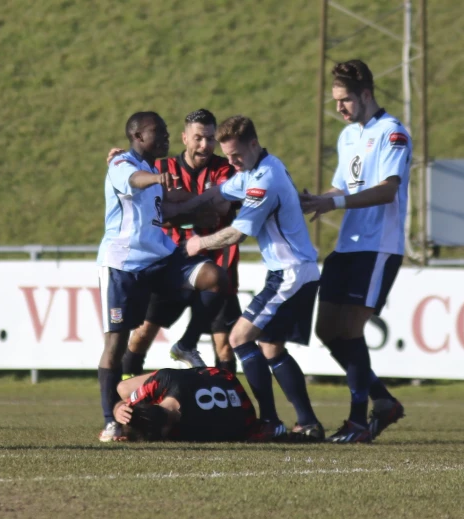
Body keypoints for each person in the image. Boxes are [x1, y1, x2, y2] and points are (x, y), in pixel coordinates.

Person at [169, 115, 324, 441]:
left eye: (236, 155)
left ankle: (268, 421)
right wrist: (174, 211)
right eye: (227, 156)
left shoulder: (264, 180)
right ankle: (306, 422)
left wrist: (198, 243)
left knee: (239, 338)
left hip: (290, 272)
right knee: (270, 346)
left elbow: (238, 233)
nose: (231, 162)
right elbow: (217, 195)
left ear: (254, 144)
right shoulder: (255, 168)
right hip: (292, 270)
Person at [97, 111, 227, 442]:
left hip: (161, 258)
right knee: (117, 343)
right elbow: (135, 182)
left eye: (168, 131)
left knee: (214, 276)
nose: (167, 136)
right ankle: (111, 419)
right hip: (124, 266)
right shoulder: (122, 165)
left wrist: (199, 207)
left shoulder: (154, 168)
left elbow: (168, 205)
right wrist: (156, 180)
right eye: (160, 132)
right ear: (138, 136)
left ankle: (186, 343)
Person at [300, 59, 409, 443]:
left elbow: (387, 190)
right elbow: (343, 188)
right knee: (327, 330)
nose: (339, 108)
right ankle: (383, 401)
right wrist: (314, 200)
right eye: (335, 101)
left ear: (365, 95)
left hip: (379, 246)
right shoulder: (348, 137)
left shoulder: (392, 133)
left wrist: (335, 205)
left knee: (350, 329)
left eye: (344, 100)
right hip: (348, 245)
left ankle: (357, 421)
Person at [107, 109, 241, 378]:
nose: (205, 145)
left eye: (210, 139)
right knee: (141, 336)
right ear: (185, 138)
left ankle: (224, 406)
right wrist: (189, 209)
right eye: (198, 138)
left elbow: (219, 209)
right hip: (171, 264)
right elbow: (157, 212)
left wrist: (176, 207)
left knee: (225, 345)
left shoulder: (224, 169)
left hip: (216, 264)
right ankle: (128, 397)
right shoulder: (160, 168)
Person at [112, 367, 259, 442]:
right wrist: (120, 409)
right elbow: (130, 404)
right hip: (223, 377)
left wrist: (118, 408)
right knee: (124, 388)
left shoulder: (186, 432)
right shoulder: (163, 381)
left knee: (122, 389)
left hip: (245, 417)